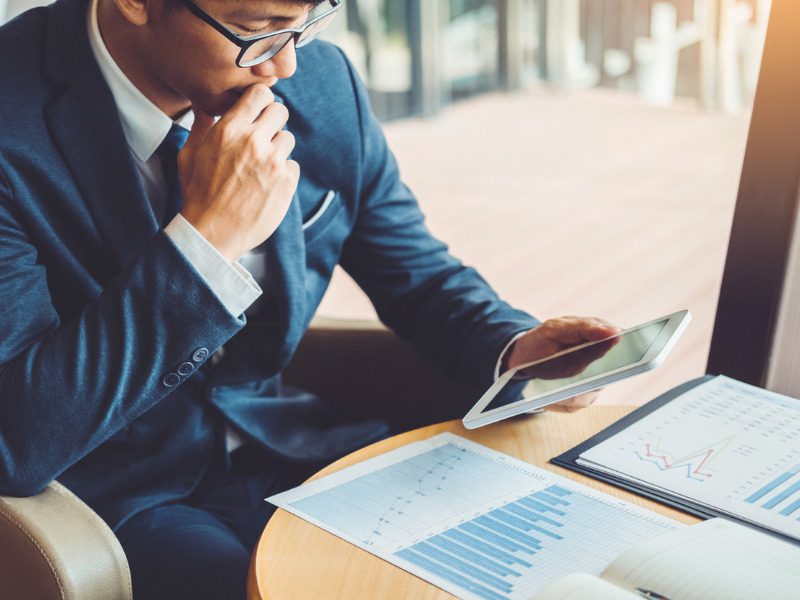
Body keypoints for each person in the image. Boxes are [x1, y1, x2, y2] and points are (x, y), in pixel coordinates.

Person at [0, 0, 619, 597]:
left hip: (291, 444)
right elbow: (19, 435)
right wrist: (206, 242)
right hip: (114, 492)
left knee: (537, 546)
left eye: (305, 24)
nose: (285, 66)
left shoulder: (323, 83)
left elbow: (417, 273)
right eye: (256, 29)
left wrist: (513, 345)